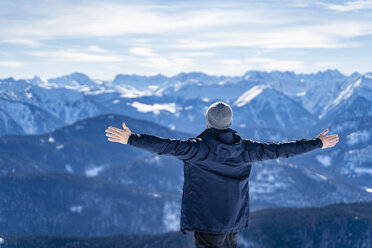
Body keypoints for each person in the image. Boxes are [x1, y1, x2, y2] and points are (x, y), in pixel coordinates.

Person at [105, 101, 339, 248]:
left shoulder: (197, 149)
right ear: (229, 123)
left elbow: (166, 146)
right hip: (233, 221)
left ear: (208, 122)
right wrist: (317, 143)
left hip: (207, 222)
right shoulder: (247, 148)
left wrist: (131, 139)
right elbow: (282, 150)